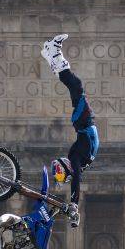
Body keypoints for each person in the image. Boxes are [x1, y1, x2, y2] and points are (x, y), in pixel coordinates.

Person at [41, 34, 99, 228]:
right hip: (84, 122)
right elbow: (77, 181)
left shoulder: (76, 157)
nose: (63, 162)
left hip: (84, 123)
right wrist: (74, 203)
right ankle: (52, 55)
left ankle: (54, 54)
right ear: (68, 169)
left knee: (77, 87)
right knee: (76, 87)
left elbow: (76, 179)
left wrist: (73, 203)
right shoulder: (77, 162)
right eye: (60, 167)